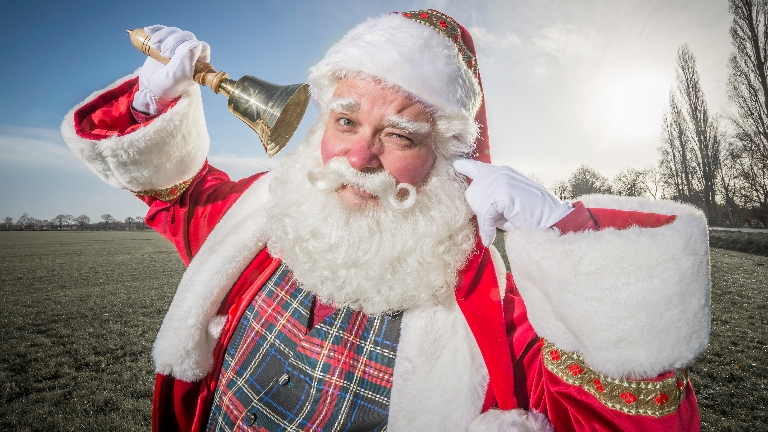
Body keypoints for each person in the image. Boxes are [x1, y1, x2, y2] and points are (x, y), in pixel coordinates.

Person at [61, 9, 710, 432]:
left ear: (449, 157)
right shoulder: (266, 214)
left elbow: (623, 420)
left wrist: (571, 238)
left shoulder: (493, 309)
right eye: (345, 121)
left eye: (399, 135)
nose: (359, 156)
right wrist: (152, 97)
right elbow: (177, 193)